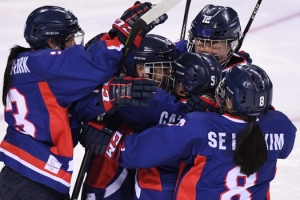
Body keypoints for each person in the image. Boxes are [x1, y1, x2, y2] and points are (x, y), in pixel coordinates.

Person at [0, 2, 166, 199]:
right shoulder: (46, 65)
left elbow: (74, 106)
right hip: (35, 178)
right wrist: (123, 33)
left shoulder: (29, 63)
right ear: (52, 42)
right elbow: (93, 63)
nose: (74, 45)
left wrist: (109, 94)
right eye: (70, 40)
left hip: (19, 174)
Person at [117, 64, 296, 200]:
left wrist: (109, 141)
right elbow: (283, 146)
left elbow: (136, 154)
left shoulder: (200, 126)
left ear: (231, 102)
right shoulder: (281, 126)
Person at [80, 49, 222, 200]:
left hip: (153, 190)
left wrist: (113, 144)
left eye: (172, 75)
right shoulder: (221, 120)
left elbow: (84, 97)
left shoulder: (158, 103)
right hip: (192, 192)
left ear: (181, 87)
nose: (167, 78)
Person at [175, 4, 252, 76]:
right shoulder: (179, 51)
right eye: (201, 42)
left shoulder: (238, 77)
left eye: (214, 44)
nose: (206, 51)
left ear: (231, 45)